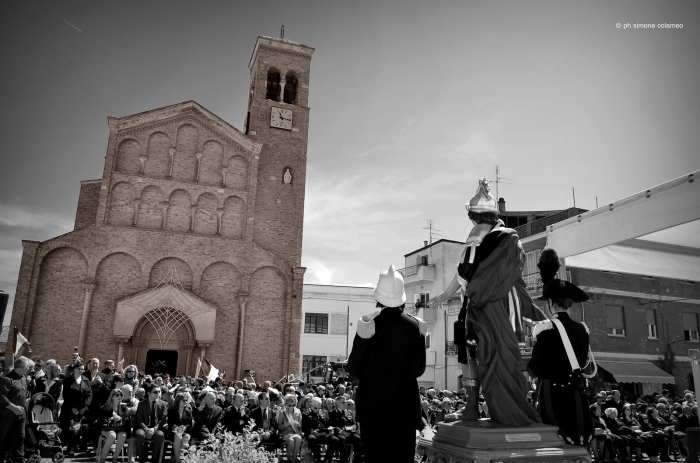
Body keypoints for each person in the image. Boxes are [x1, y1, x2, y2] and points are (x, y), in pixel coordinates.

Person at [429, 179, 545, 425]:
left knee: (470, 355)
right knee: (499, 355)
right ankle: (503, 404)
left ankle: (472, 407)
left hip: (480, 306)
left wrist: (446, 294)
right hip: (506, 306)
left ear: (473, 216)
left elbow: (466, 270)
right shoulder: (511, 238)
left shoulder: (478, 233)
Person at [347, 265, 426, 463]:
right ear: (402, 297)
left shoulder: (368, 323)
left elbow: (354, 368)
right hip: (405, 410)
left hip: (373, 410)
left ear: (378, 297)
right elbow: (419, 369)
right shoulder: (417, 326)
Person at [527, 276, 594, 446]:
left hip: (553, 396)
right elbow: (583, 359)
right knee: (577, 439)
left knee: (555, 441)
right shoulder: (582, 329)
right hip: (577, 393)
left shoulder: (546, 327)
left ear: (550, 303)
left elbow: (535, 368)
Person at [0, 356, 34, 463]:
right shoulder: (7, 379)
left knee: (20, 437)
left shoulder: (23, 379)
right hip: (7, 414)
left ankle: (19, 459)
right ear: (23, 366)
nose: (30, 369)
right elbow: (1, 397)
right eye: (28, 366)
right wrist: (13, 408)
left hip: (21, 414)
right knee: (3, 437)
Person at [59, 361, 93, 456]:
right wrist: (72, 408)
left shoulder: (86, 380)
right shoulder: (67, 380)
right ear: (74, 369)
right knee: (66, 429)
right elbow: (66, 395)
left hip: (82, 410)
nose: (81, 371)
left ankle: (71, 449)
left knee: (77, 430)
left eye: (82, 369)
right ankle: (60, 448)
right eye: (79, 369)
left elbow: (89, 395)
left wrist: (85, 407)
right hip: (69, 409)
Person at [134, 383, 167, 463]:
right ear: (149, 393)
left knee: (160, 435)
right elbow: (139, 420)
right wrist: (146, 429)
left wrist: (154, 428)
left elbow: (163, 419)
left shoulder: (163, 404)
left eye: (159, 391)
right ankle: (141, 459)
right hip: (143, 427)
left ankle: (154, 460)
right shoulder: (141, 404)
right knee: (139, 434)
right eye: (155, 392)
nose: (158, 394)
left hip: (156, 428)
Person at [302, 396, 343, 463]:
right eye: (317, 406)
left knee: (335, 440)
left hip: (325, 433)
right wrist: (315, 433)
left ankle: (326, 459)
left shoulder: (324, 412)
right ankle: (318, 459)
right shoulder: (305, 413)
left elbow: (328, 424)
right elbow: (305, 428)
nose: (319, 408)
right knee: (312, 439)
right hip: (314, 434)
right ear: (312, 405)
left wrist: (329, 431)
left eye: (319, 406)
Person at [97, 388, 130, 463]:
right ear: (112, 396)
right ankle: (102, 459)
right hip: (107, 429)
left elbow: (127, 418)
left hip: (120, 428)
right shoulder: (105, 407)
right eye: (117, 395)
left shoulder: (123, 407)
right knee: (112, 435)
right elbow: (101, 421)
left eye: (121, 395)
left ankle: (114, 458)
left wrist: (120, 418)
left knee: (123, 436)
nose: (119, 397)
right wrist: (112, 417)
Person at [166, 393, 194, 463]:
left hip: (184, 431)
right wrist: (177, 428)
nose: (185, 402)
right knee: (178, 436)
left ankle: (180, 457)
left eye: (186, 400)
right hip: (173, 431)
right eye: (183, 400)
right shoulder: (172, 410)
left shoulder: (188, 411)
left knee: (186, 437)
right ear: (178, 401)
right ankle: (178, 461)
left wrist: (184, 427)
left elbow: (189, 424)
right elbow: (170, 423)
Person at [278, 393, 303, 463]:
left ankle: (293, 459)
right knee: (291, 441)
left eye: (293, 405)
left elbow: (301, 426)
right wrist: (286, 424)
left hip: (296, 433)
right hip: (286, 433)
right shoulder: (282, 412)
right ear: (286, 405)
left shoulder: (298, 411)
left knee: (298, 438)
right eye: (289, 405)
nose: (292, 407)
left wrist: (298, 424)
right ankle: (294, 459)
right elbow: (279, 427)